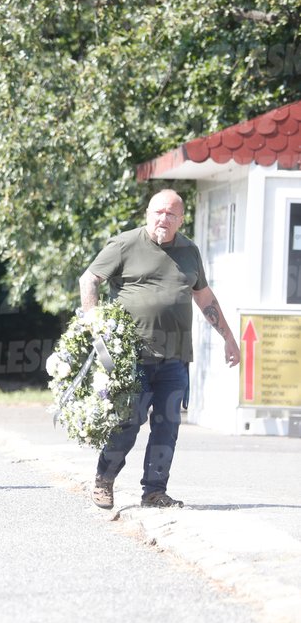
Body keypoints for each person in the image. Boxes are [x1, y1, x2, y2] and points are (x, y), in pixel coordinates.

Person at [79, 189, 240, 509]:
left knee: (167, 428)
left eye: (171, 214)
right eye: (158, 212)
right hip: (131, 357)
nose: (163, 218)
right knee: (128, 423)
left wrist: (229, 338)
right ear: (148, 214)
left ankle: (154, 491)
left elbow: (204, 298)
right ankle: (104, 478)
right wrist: (93, 319)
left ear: (181, 219)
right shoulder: (125, 244)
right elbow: (90, 279)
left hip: (175, 359)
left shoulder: (189, 251)